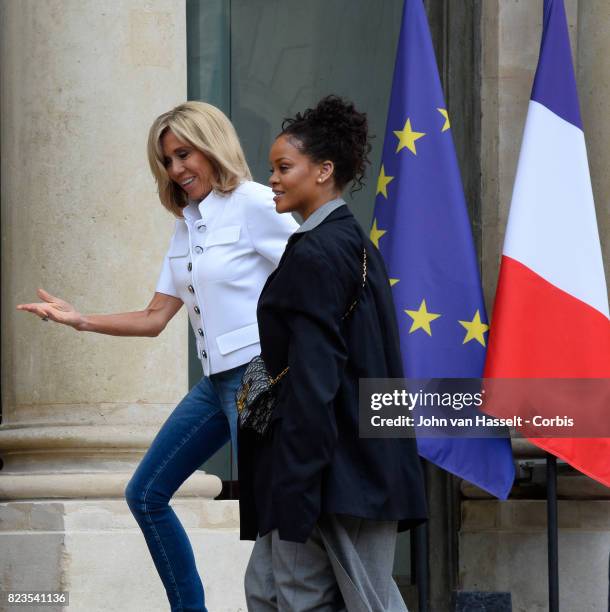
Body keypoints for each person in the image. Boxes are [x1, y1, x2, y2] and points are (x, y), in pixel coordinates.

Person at [16, 101, 298, 612]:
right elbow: (154, 317)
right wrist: (79, 319)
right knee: (145, 494)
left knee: (269, 514)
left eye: (184, 154)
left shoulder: (257, 203)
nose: (176, 170)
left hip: (257, 377)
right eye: (167, 161)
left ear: (212, 146)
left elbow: (312, 278)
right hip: (215, 385)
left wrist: (292, 361)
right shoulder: (186, 226)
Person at [238, 95, 428, 611]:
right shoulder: (351, 243)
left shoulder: (318, 251)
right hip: (349, 462)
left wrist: (298, 482)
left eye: (283, 167)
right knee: (270, 589)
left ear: (324, 171)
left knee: (306, 596)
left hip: (329, 468)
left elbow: (316, 375)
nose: (272, 179)